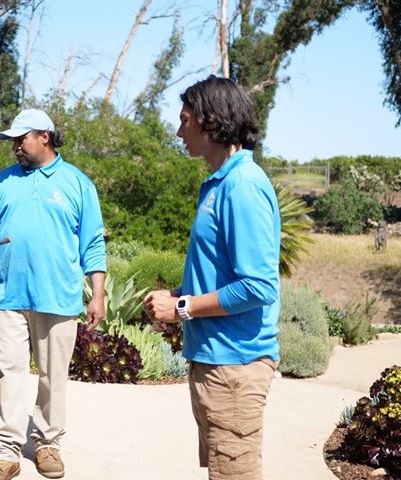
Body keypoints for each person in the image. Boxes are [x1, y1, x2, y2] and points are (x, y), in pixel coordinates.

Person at [143, 75, 281, 480]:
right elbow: (226, 274)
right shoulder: (220, 183)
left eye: (185, 119)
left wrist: (181, 307)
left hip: (234, 368)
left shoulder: (243, 185)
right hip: (214, 362)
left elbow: (259, 286)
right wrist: (177, 294)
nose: (178, 129)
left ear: (210, 121)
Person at [0, 109, 107, 480]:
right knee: (7, 374)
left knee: (52, 375)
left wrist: (97, 294)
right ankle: (6, 451)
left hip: (58, 298)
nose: (15, 146)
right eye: (13, 140)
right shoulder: (3, 183)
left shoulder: (77, 183)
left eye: (21, 138)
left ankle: (47, 443)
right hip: (9, 295)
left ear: (44, 136)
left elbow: (93, 244)